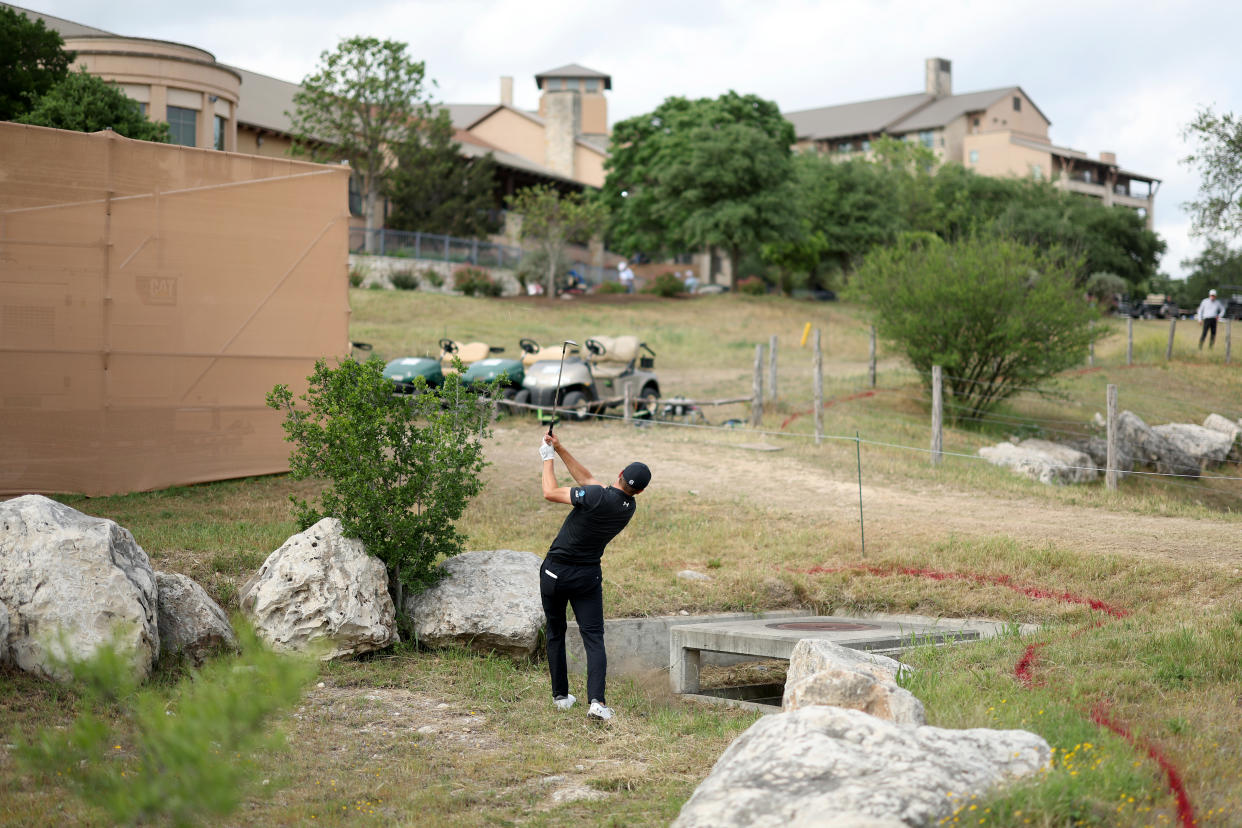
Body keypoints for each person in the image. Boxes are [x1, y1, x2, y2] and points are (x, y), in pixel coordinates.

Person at [538, 433, 650, 721]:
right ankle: (597, 703)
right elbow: (588, 479)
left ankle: (561, 697)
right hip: (587, 577)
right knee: (594, 638)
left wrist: (547, 458)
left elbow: (550, 492)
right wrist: (560, 448)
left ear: (620, 474)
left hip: (554, 571)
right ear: (638, 491)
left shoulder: (598, 496)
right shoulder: (627, 507)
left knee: (555, 632)